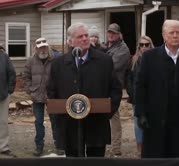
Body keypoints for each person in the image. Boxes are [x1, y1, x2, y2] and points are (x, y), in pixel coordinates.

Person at [47, 22, 122, 157]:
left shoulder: (104, 61)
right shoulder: (58, 64)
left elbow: (116, 89)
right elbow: (52, 92)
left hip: (96, 123)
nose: (85, 39)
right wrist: (58, 118)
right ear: (70, 42)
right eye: (80, 36)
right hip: (70, 125)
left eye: (86, 35)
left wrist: (107, 113)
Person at [135, 20, 179, 158]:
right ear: (164, 35)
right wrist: (140, 113)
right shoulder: (149, 57)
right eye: (171, 32)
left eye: (178, 32)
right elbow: (140, 86)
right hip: (155, 117)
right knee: (156, 156)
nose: (175, 36)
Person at [23, 37, 64, 157]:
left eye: (45, 47)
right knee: (38, 122)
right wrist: (30, 90)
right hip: (36, 96)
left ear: (48, 47)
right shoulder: (30, 61)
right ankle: (39, 146)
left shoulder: (56, 59)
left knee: (55, 122)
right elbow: (26, 77)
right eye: (40, 47)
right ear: (36, 48)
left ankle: (59, 145)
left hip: (52, 97)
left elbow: (61, 77)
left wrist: (58, 92)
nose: (43, 49)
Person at [105, 23, 130, 157]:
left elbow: (110, 66)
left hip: (114, 87)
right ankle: (105, 144)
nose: (111, 35)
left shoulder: (123, 50)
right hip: (103, 86)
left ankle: (116, 147)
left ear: (119, 35)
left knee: (114, 116)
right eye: (109, 32)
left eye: (114, 33)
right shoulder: (106, 46)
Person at [127, 35, 154, 157]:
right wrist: (132, 93)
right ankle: (140, 148)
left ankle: (151, 146)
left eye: (146, 44)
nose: (144, 47)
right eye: (141, 45)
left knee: (152, 121)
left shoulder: (156, 59)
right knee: (138, 123)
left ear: (150, 45)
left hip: (152, 98)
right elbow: (128, 78)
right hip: (137, 98)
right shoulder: (133, 60)